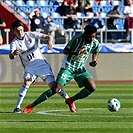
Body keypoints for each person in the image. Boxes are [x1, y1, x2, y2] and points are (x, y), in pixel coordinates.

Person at [22, 24, 99, 114]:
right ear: (85, 34)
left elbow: (96, 52)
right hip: (68, 67)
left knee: (92, 87)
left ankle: (71, 100)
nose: (92, 39)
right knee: (56, 89)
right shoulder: (77, 39)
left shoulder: (94, 42)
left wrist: (94, 61)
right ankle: (31, 106)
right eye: (90, 37)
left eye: (94, 36)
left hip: (80, 69)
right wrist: (76, 52)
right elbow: (65, 51)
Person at [9, 20, 76, 113]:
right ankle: (17, 107)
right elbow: (11, 56)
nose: (20, 32)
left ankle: (69, 100)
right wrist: (14, 54)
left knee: (54, 87)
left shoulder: (31, 35)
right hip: (30, 67)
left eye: (21, 30)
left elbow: (48, 36)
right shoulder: (14, 43)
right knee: (26, 83)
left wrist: (50, 42)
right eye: (18, 31)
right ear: (14, 31)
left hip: (41, 64)